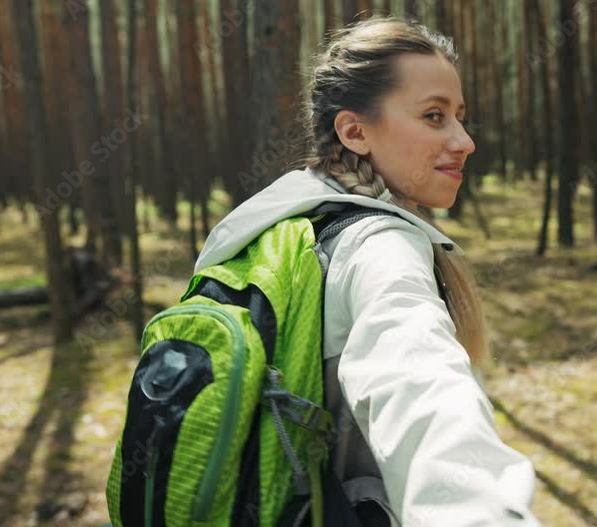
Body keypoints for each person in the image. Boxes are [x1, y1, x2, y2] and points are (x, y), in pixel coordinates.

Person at [194, 16, 540, 527]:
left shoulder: (276, 226)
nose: (464, 140)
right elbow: (423, 391)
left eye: (460, 117)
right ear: (355, 132)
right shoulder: (378, 247)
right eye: (433, 116)